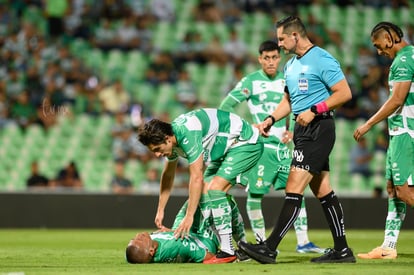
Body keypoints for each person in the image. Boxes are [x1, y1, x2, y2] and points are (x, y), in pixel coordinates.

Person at [238, 15, 355, 264]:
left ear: (295, 35)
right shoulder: (290, 65)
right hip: (304, 131)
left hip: (319, 128)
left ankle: (269, 247)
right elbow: (288, 102)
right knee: (323, 190)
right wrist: (270, 119)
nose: (279, 44)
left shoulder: (322, 59)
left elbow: (344, 92)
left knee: (293, 187)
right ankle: (342, 250)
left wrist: (315, 110)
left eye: (281, 38)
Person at [219, 40, 323, 253]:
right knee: (255, 195)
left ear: (279, 58)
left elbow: (298, 106)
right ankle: (260, 241)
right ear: (260, 59)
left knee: (296, 190)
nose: (271, 62)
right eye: (266, 58)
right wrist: (247, 128)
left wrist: (293, 129)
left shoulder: (288, 79)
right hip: (262, 147)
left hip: (284, 148)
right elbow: (225, 106)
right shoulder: (251, 81)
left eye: (275, 57)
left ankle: (303, 242)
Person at [137, 108, 263, 263]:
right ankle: (245, 248)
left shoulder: (187, 133)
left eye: (157, 149)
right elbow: (168, 175)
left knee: (215, 190)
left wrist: (189, 217)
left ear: (167, 138)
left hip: (244, 143)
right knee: (206, 194)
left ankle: (227, 250)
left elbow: (197, 177)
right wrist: (160, 209)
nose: (157, 155)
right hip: (224, 151)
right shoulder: (173, 143)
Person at [353, 21, 414, 259]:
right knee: (392, 190)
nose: (379, 52)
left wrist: (368, 123)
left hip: (406, 134)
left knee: (405, 192)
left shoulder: (404, 60)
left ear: (389, 38)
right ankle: (388, 246)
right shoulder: (407, 58)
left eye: (379, 46)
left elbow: (397, 99)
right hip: (399, 133)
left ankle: (388, 246)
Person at [126, 193, 247, 263]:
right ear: (151, 251)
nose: (138, 236)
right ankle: (243, 246)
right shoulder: (175, 247)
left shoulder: (147, 247)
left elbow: (135, 254)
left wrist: (171, 231)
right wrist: (221, 256)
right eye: (140, 240)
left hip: (182, 232)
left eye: (134, 238)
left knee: (195, 197)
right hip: (204, 239)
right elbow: (205, 255)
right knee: (224, 198)